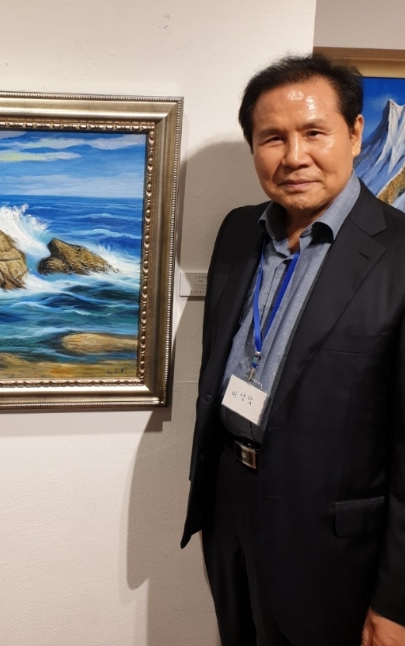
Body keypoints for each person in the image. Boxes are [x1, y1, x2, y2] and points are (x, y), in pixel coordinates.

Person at [181, 53, 405, 646]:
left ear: (354, 134)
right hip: (231, 506)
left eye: (313, 133)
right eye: (272, 138)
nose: (294, 156)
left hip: (335, 541)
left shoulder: (400, 254)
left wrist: (396, 603)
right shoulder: (238, 231)